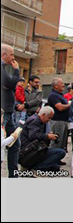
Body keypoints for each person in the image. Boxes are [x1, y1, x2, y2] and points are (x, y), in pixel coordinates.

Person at [19, 106, 66, 172]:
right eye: (49, 118)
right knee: (61, 152)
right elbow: (33, 136)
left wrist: (48, 134)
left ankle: (34, 166)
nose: (49, 120)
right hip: (30, 151)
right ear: (43, 115)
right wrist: (47, 136)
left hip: (36, 149)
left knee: (56, 167)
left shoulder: (40, 120)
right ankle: (35, 168)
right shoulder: (34, 121)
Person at [1, 43, 22, 178]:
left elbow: (10, 85)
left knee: (15, 143)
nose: (13, 57)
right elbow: (11, 84)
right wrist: (16, 71)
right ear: (4, 55)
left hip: (9, 112)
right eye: (12, 54)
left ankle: (13, 175)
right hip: (4, 114)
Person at [47, 78, 71, 159]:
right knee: (57, 141)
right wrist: (69, 104)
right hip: (57, 121)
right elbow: (60, 107)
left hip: (63, 121)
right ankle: (52, 160)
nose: (63, 85)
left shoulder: (60, 95)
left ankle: (57, 159)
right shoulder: (53, 95)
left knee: (62, 142)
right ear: (56, 86)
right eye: (61, 83)